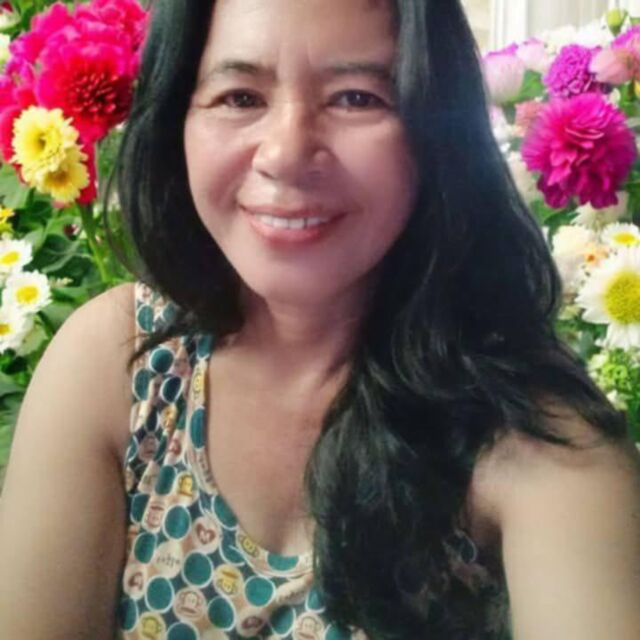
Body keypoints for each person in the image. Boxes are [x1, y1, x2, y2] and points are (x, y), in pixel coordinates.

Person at [0, 0, 639, 638]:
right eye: (240, 97)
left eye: (356, 98)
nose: (285, 153)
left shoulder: (533, 442)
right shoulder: (122, 361)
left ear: (437, 130)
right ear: (177, 119)